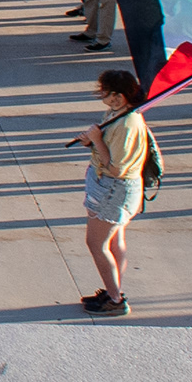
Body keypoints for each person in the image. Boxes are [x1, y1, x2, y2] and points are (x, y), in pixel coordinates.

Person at [71, 67, 150, 314]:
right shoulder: (120, 114)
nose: (113, 98)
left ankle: (115, 300)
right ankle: (113, 288)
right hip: (115, 188)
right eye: (109, 93)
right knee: (115, 240)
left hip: (112, 188)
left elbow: (116, 168)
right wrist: (94, 141)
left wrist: (95, 140)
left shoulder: (126, 123)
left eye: (119, 94)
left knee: (96, 243)